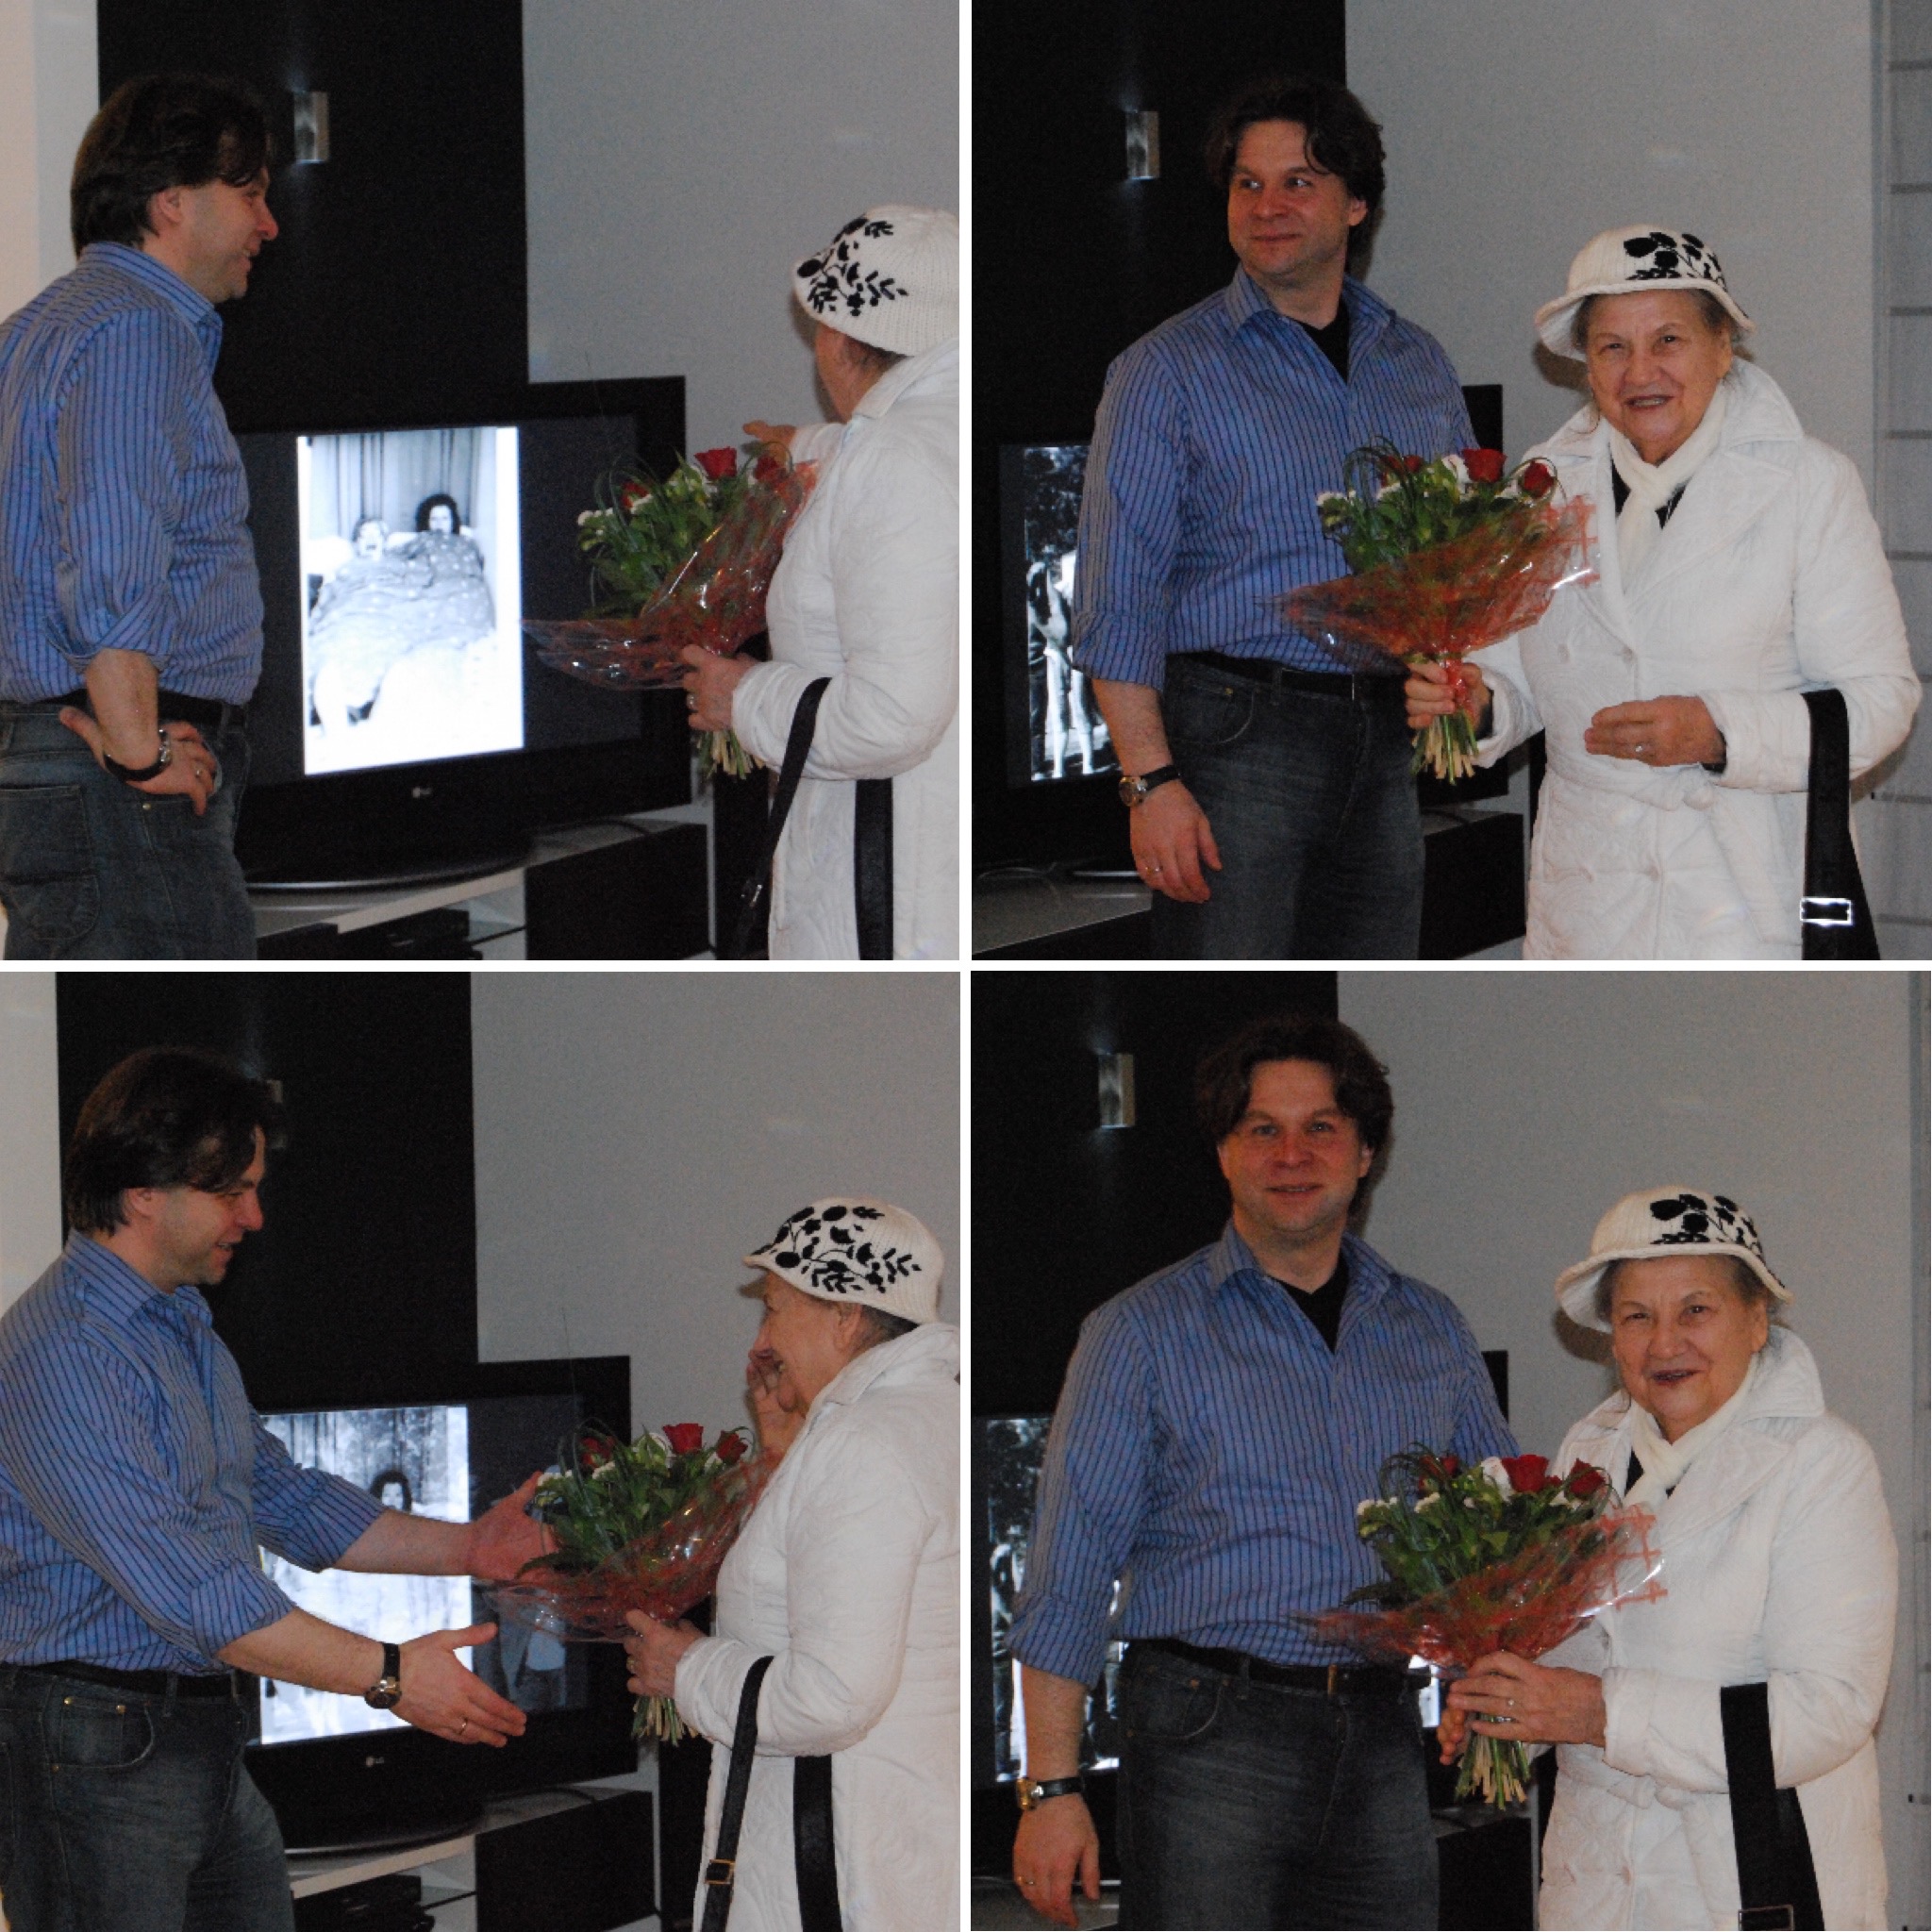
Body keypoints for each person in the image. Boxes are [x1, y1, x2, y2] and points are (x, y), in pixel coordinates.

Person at [0, 1047, 555, 1932]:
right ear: (143, 1193)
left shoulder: (179, 1324)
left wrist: (469, 1547)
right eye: (231, 1192)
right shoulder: (65, 1353)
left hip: (195, 1735)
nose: (254, 1217)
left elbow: (282, 1496)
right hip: (97, 1744)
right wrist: (391, 1677)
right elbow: (196, 1593)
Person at [1008, 1014, 1516, 1930]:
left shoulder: (1432, 1327)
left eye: (1320, 1126)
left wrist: (1491, 1683)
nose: (1291, 1154)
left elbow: (1494, 1539)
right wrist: (1051, 1787)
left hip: (1382, 1736)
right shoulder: (1136, 1332)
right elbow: (1068, 1569)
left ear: (1365, 1152)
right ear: (1223, 1152)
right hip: (1209, 1736)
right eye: (1261, 1128)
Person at [1407, 226, 1920, 958]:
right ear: (1586, 365)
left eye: (1669, 340)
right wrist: (1473, 704)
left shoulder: (1809, 484)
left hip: (1745, 906)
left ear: (1723, 348)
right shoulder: (1540, 489)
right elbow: (1515, 678)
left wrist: (1719, 732)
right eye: (1612, 346)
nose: (1639, 371)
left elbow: (1879, 702)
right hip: (1588, 907)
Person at [1069, 75, 1475, 959]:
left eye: (1298, 181)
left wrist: (1460, 673)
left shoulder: (1418, 362)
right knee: (1230, 1005)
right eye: (1247, 183)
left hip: (1387, 748)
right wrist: (1149, 784)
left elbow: (1459, 562)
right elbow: (1117, 596)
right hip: (1237, 739)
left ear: (1356, 203)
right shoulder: (1163, 370)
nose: (1266, 207)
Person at [1440, 1188, 1896, 1928]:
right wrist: (1511, 1710)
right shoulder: (1587, 1455)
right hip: (1595, 1891)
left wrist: (1603, 1713)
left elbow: (1829, 1709)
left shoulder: (1822, 1463)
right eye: (1637, 1317)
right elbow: (1576, 1648)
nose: (1665, 1343)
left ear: (1756, 1320)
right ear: (1611, 1337)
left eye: (1696, 1310)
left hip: (1748, 1885)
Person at [0, 75, 282, 959]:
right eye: (249, 194)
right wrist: (138, 749)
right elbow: (111, 552)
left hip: (56, 765)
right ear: (171, 202)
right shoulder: (135, 331)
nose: (268, 225)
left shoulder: (32, 330)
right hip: (119, 777)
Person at [621, 1198, 958, 1930]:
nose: (764, 1339)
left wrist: (685, 1669)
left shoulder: (866, 1443)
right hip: (895, 1845)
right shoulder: (930, 1414)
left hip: (837, 1869)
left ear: (845, 1316)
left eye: (774, 1309)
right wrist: (786, 1456)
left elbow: (832, 1697)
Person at [679, 206, 958, 958]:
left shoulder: (897, 462)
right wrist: (808, 446)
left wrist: (740, 697)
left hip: (887, 896)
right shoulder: (931, 432)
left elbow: (891, 719)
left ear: (839, 338)